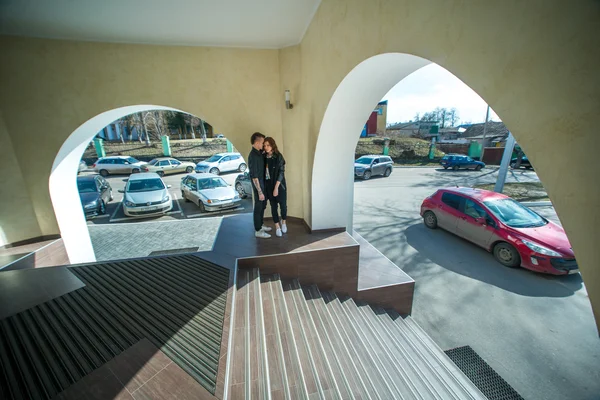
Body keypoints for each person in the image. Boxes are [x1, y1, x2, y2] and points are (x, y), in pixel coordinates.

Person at [248, 132, 272, 238]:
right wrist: (260, 191)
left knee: (262, 206)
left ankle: (261, 225)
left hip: (264, 183)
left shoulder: (259, 153)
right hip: (258, 186)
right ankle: (258, 230)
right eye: (262, 142)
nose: (263, 145)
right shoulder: (252, 156)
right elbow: (254, 176)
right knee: (258, 207)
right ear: (257, 142)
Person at [263, 137, 288, 237]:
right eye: (264, 145)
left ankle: (284, 222)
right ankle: (277, 226)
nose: (266, 147)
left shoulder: (278, 156)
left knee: (283, 206)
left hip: (279, 185)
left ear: (272, 145)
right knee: (273, 206)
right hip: (268, 185)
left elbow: (281, 173)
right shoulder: (263, 157)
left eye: (268, 145)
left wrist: (276, 187)